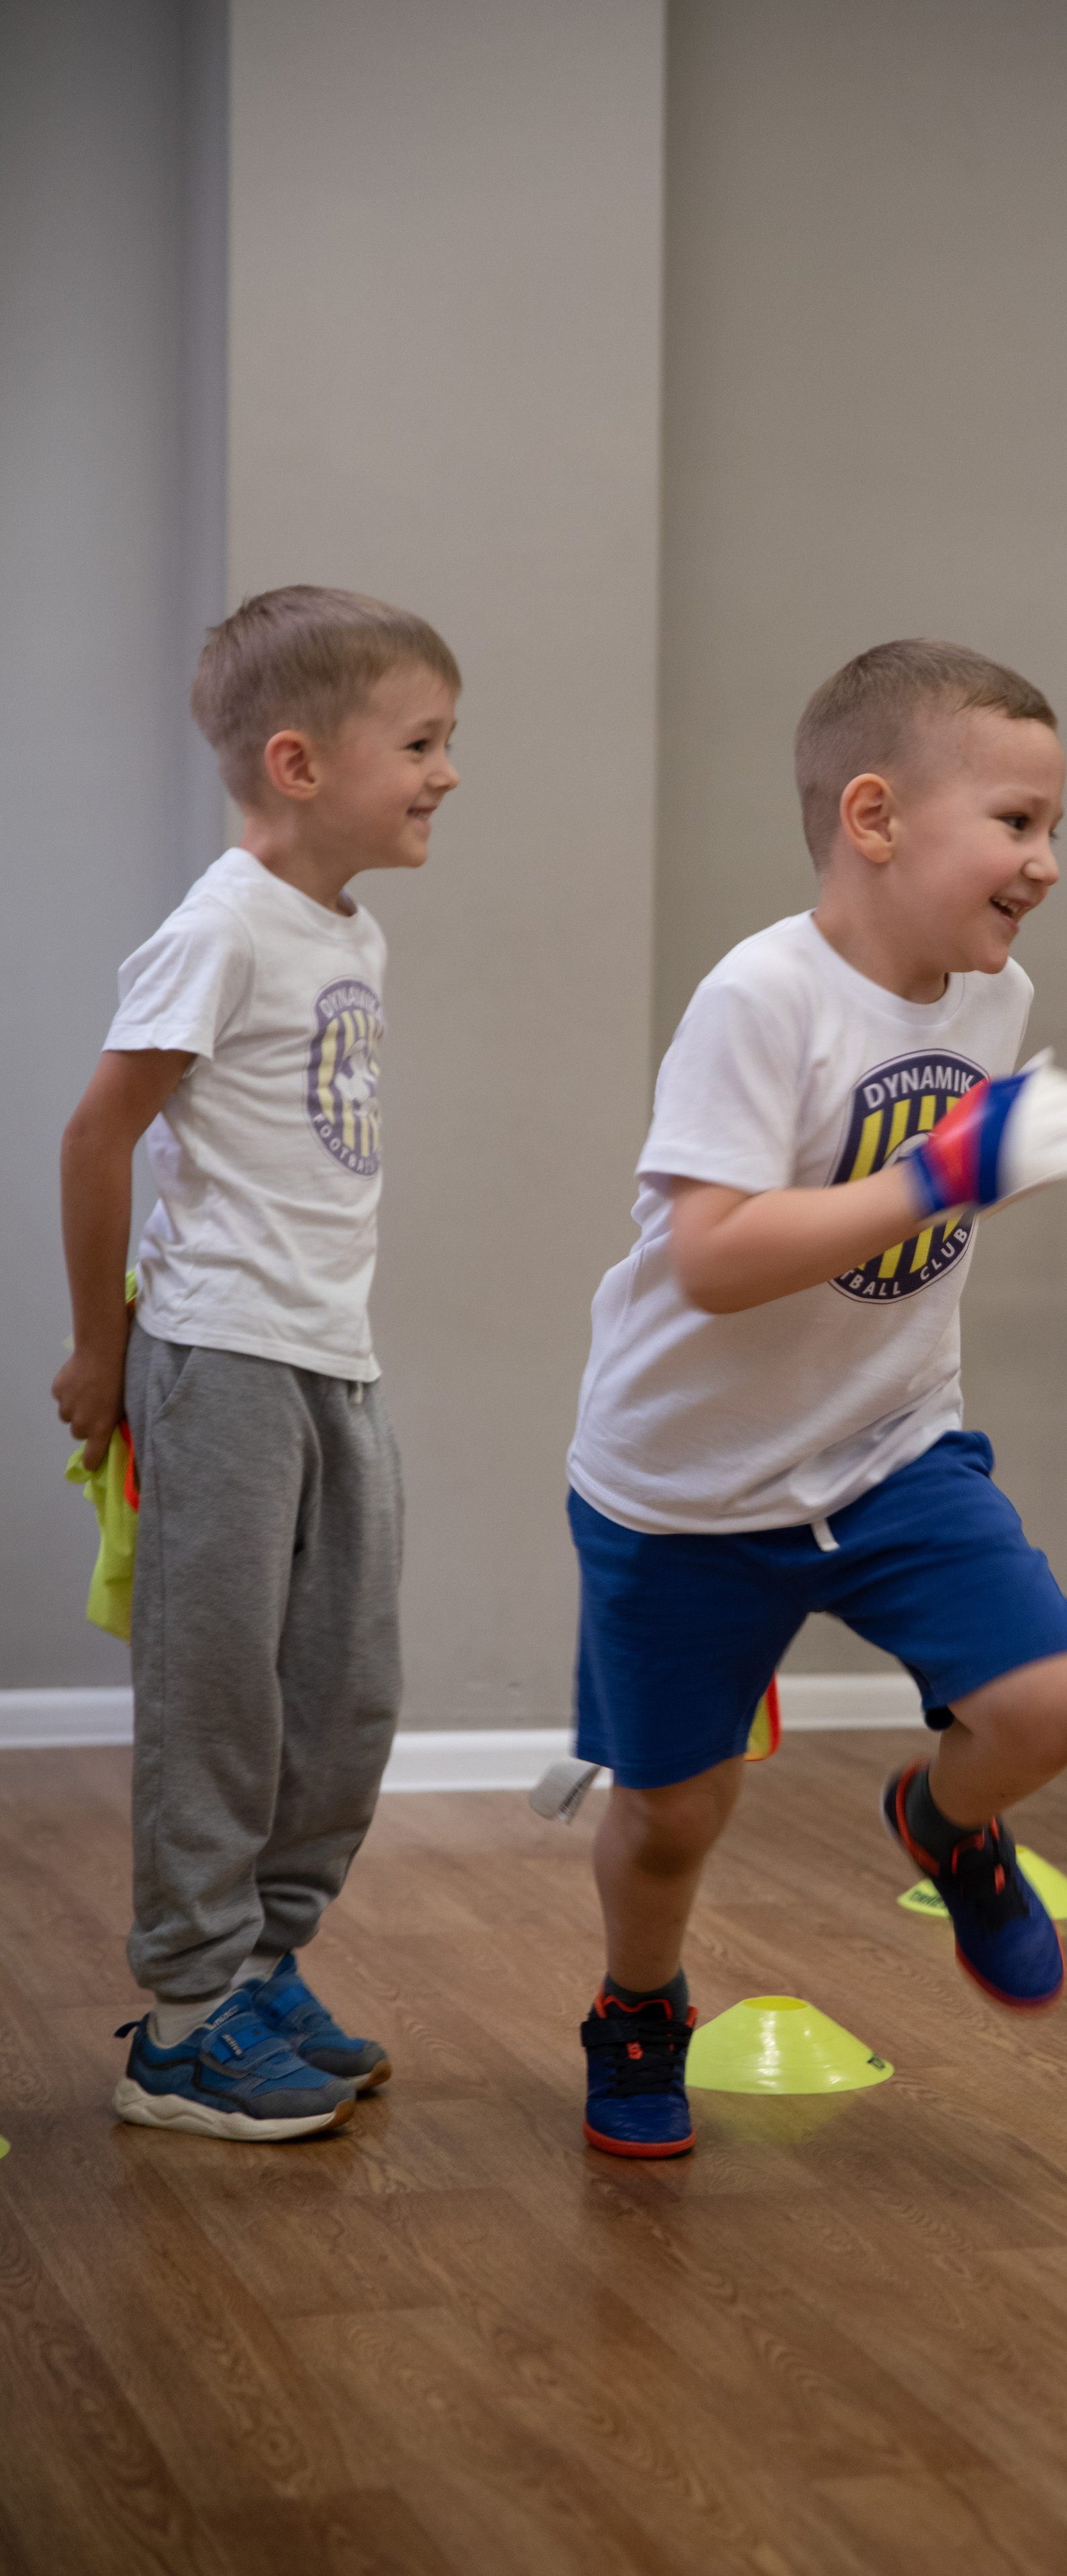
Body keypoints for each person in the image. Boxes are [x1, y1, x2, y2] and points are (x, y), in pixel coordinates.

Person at [566, 637, 1067, 2158]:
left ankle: (943, 1824)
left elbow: (910, 1218)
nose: (1047, 863)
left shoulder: (991, 995)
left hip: (890, 1449)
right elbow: (713, 1257)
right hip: (684, 1486)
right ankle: (636, 2008)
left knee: (1046, 1699)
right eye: (1016, 822)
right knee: (675, 1815)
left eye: (1051, 828)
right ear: (875, 818)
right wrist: (949, 1168)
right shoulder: (761, 997)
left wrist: (989, 1172)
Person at [52, 585, 461, 2142]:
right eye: (418, 742)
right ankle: (179, 2023)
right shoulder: (219, 925)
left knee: (342, 1698)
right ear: (299, 763)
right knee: (220, 1701)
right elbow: (101, 1132)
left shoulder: (341, 929)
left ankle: (260, 1967)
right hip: (220, 1357)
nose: (444, 771)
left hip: (329, 1361)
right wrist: (106, 1345)